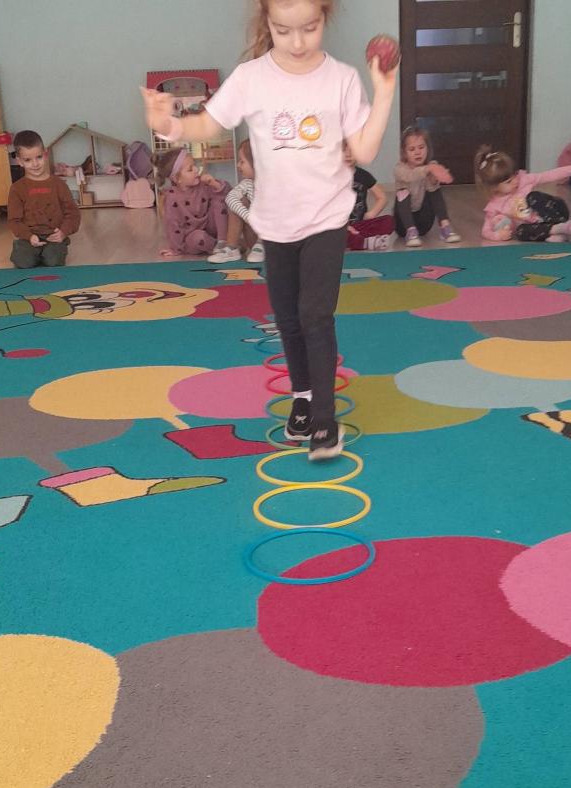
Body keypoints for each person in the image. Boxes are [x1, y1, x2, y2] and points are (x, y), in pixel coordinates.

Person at [142, 0, 397, 459]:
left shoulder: (340, 79)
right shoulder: (252, 78)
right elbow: (208, 123)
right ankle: (303, 399)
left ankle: (325, 420)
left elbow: (364, 151)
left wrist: (384, 89)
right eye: (284, 31)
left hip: (326, 219)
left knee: (316, 315)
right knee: (288, 318)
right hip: (275, 224)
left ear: (324, 18)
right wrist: (168, 125)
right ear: (267, 23)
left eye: (309, 29)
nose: (297, 42)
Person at [475, 146, 571, 242]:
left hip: (556, 211)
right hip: (540, 224)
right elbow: (486, 231)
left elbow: (549, 175)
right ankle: (555, 231)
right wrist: (498, 236)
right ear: (494, 187)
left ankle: (559, 226)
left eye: (515, 175)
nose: (515, 181)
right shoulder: (494, 207)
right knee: (520, 231)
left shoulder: (524, 180)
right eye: (509, 181)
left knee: (532, 197)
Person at [8, 130, 81, 268]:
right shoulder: (17, 189)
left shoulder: (59, 184)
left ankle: (51, 250)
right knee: (24, 262)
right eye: (28, 160)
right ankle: (28, 250)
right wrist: (28, 236)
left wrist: (63, 232)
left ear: (45, 154)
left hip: (54, 236)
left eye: (39, 157)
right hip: (28, 238)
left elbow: (73, 213)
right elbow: (14, 220)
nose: (35, 164)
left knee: (53, 261)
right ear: (19, 161)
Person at [155, 148, 230, 258]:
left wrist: (214, 183)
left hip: (213, 229)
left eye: (195, 165)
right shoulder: (172, 198)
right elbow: (173, 225)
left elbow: (227, 193)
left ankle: (224, 242)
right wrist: (175, 249)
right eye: (190, 169)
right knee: (198, 238)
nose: (196, 169)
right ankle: (219, 248)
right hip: (193, 237)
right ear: (177, 179)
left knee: (219, 200)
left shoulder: (203, 184)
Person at [394, 126, 460, 247]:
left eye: (421, 147)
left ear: (427, 148)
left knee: (435, 191)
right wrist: (429, 169)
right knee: (403, 192)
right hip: (402, 224)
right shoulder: (400, 168)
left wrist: (436, 176)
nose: (417, 152)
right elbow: (410, 176)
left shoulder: (432, 166)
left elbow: (433, 186)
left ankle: (445, 227)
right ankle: (411, 231)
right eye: (412, 149)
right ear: (404, 152)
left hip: (424, 223)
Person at [210, 138, 265, 263]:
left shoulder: (274, 185)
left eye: (242, 161)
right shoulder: (247, 184)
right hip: (254, 236)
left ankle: (261, 244)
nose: (238, 165)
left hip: (273, 240)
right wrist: (249, 218)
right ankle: (232, 248)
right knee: (238, 201)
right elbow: (230, 198)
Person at [343, 142, 393, 250]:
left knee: (389, 221)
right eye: (344, 151)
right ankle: (365, 242)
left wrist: (371, 214)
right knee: (340, 235)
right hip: (340, 228)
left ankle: (362, 240)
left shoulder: (364, 175)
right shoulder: (333, 176)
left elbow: (382, 197)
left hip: (360, 224)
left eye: (352, 151)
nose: (348, 154)